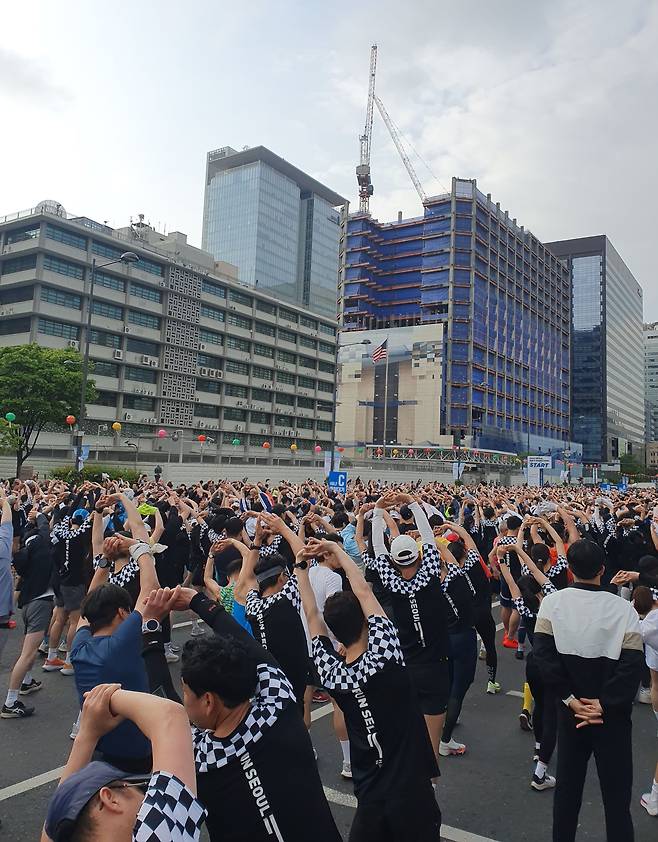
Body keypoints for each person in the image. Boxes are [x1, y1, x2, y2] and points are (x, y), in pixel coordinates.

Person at [296, 537, 441, 841]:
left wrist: (301, 568)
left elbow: (312, 616)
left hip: (371, 794)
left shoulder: (332, 674)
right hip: (412, 789)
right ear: (364, 621)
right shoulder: (386, 652)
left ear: (334, 632)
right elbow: (363, 590)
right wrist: (336, 551)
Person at [170, 585, 342, 841]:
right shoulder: (278, 709)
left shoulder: (198, 761)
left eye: (185, 692)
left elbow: (161, 705)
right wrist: (198, 602)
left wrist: (149, 631)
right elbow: (254, 651)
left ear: (208, 701)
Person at [533, 539, 645, 842]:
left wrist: (570, 700)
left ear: (569, 569)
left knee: (567, 796)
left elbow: (543, 657)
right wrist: (604, 704)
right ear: (603, 569)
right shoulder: (624, 609)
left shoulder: (552, 603)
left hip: (570, 714)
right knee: (617, 801)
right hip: (612, 717)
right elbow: (631, 666)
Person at [43, 683, 205, 842]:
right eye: (135, 786)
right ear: (110, 799)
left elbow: (51, 833)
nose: (145, 794)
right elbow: (170, 716)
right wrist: (104, 697)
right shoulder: (158, 834)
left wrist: (87, 735)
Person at [68, 534, 159, 771]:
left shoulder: (79, 646)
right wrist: (138, 547)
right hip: (137, 754)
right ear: (121, 612)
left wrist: (105, 561)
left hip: (101, 751)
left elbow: (88, 602)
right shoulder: (120, 644)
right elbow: (149, 589)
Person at [2, 506, 55, 718]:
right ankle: (10, 702)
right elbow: (44, 528)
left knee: (29, 648)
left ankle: (27, 681)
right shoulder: (43, 544)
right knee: (28, 653)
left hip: (29, 603)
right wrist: (40, 514)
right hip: (40, 603)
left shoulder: (26, 554)